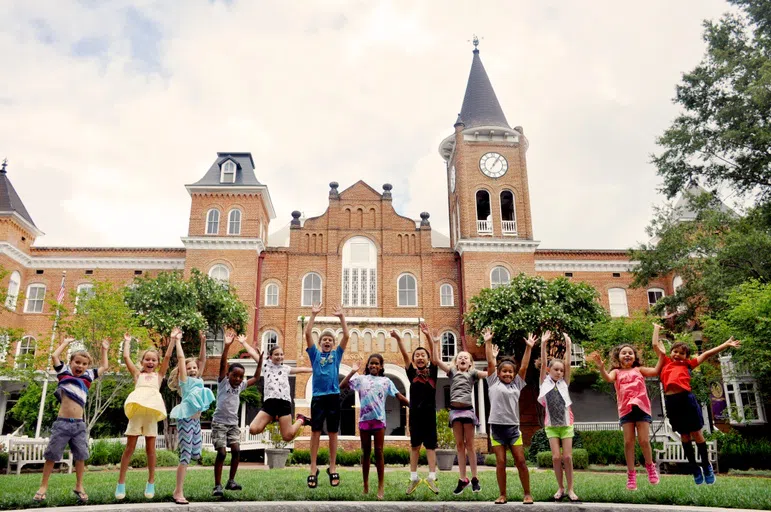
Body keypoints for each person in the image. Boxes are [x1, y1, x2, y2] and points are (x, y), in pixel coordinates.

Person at [653, 324, 740, 485]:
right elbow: (654, 345)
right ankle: (694, 468)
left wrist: (725, 345)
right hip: (672, 403)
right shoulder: (665, 362)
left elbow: (706, 354)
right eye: (675, 352)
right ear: (671, 353)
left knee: (697, 434)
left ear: (686, 356)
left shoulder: (688, 364)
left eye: (682, 353)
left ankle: (706, 466)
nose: (678, 354)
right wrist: (656, 329)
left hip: (687, 400)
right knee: (684, 436)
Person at [33, 337, 109, 504]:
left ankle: (79, 485)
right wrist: (66, 343)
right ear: (71, 362)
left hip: (79, 425)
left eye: (84, 364)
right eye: (77, 362)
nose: (80, 366)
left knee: (81, 456)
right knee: (51, 455)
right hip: (62, 423)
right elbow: (54, 356)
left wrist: (104, 350)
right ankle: (43, 486)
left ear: (87, 366)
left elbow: (104, 366)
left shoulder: (89, 376)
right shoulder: (64, 373)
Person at [588, 337, 664, 491]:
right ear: (618, 357)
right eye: (624, 353)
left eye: (630, 352)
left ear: (635, 356)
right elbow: (608, 378)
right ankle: (631, 474)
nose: (627, 355)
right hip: (626, 410)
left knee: (643, 441)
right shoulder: (616, 372)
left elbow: (656, 371)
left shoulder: (639, 370)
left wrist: (662, 356)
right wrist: (601, 367)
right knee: (628, 442)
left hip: (641, 408)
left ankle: (650, 468)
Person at [341, 354, 409, 500]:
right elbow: (342, 386)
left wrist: (413, 406)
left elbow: (399, 396)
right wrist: (353, 371)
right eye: (371, 363)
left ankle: (380, 486)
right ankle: (365, 485)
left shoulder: (386, 381)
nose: (373, 366)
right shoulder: (361, 379)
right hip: (364, 421)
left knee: (379, 451)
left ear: (381, 366)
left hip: (379, 421)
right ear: (368, 365)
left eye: (376, 364)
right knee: (365, 453)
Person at [116, 333, 174, 500]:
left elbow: (168, 356)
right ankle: (121, 483)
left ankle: (151, 482)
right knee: (129, 449)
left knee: (151, 450)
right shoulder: (137, 375)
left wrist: (173, 340)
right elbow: (126, 357)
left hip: (150, 416)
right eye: (147, 359)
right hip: (137, 415)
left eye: (153, 360)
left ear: (157, 363)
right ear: (142, 362)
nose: (150, 362)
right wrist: (127, 342)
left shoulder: (159, 376)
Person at [484, 328, 536, 505]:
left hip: (513, 429)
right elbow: (491, 363)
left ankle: (527, 493)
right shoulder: (492, 383)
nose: (507, 374)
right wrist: (488, 342)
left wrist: (528, 347)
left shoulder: (517, 385)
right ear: (498, 373)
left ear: (513, 375)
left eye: (510, 372)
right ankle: (502, 495)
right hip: (496, 428)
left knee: (521, 461)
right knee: (501, 462)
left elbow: (524, 366)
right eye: (504, 371)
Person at [434, 336, 488, 495]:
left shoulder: (473, 374)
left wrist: (491, 351)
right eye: (460, 358)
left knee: (469, 445)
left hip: (468, 411)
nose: (463, 359)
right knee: (459, 445)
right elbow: (436, 360)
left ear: (470, 363)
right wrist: (436, 343)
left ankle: (475, 478)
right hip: (455, 412)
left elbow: (490, 372)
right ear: (456, 362)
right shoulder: (452, 372)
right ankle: (462, 478)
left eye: (466, 358)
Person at [211, 331, 263, 497]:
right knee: (221, 453)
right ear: (228, 375)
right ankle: (217, 485)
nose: (238, 379)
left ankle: (231, 481)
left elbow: (256, 377)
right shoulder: (223, 383)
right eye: (235, 376)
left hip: (233, 424)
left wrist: (260, 361)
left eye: (240, 377)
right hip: (219, 423)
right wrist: (227, 346)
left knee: (236, 450)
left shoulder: (241, 387)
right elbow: (222, 364)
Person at [304, 303, 349, 489]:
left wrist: (341, 317)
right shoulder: (314, 355)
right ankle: (313, 468)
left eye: (330, 339)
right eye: (325, 340)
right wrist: (313, 315)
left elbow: (346, 335)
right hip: (318, 398)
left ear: (333, 343)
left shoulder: (337, 355)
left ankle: (332, 466)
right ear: (320, 343)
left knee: (332, 432)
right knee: (315, 431)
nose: (328, 341)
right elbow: (307, 334)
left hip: (333, 396)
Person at [168, 328, 215, 505]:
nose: (193, 370)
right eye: (189, 368)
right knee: (186, 456)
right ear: (183, 372)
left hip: (195, 421)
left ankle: (178, 489)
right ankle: (178, 491)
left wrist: (203, 342)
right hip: (186, 419)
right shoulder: (185, 382)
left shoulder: (199, 378)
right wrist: (178, 342)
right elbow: (181, 359)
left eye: (194, 367)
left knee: (196, 453)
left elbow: (202, 359)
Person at [392, 323, 439, 495]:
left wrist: (428, 336)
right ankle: (413, 478)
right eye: (417, 355)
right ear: (414, 360)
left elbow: (435, 356)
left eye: (423, 355)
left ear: (427, 359)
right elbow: (405, 355)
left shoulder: (432, 372)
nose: (420, 357)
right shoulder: (412, 374)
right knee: (414, 446)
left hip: (429, 415)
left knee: (431, 447)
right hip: (415, 416)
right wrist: (398, 339)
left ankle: (432, 478)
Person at [538, 331, 579, 502]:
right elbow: (542, 366)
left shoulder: (564, 383)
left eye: (561, 370)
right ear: (549, 370)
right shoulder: (544, 382)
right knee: (556, 457)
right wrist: (543, 344)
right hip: (551, 425)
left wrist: (568, 345)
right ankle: (560, 487)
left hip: (566, 423)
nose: (559, 372)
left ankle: (570, 489)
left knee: (567, 457)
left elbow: (568, 363)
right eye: (556, 369)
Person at [248, 344, 312, 440]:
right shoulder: (265, 365)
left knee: (287, 436)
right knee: (253, 430)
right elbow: (252, 353)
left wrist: (315, 369)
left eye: (281, 354)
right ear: (270, 357)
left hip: (283, 403)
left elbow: (301, 369)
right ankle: (271, 418)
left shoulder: (286, 368)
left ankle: (301, 419)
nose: (279, 357)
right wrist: (243, 342)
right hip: (270, 404)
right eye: (276, 354)